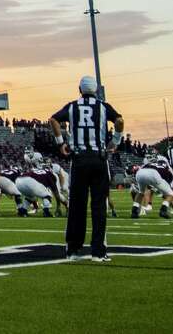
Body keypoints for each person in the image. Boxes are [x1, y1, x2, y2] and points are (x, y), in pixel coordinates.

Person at [50, 75, 124, 262]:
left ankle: (73, 250)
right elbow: (120, 121)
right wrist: (115, 141)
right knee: (99, 206)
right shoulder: (103, 106)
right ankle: (98, 252)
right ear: (96, 90)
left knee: (77, 205)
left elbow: (53, 120)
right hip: (99, 159)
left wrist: (61, 143)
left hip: (79, 159)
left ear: (79, 89)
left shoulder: (72, 106)